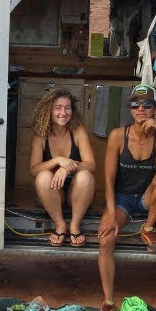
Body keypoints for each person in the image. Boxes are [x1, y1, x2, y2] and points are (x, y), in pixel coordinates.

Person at [97, 84, 156, 311]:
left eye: (147, 104)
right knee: (105, 239)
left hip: (147, 197)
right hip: (122, 198)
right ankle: (109, 301)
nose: (141, 109)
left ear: (155, 108)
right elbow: (108, 180)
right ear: (130, 109)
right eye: (135, 105)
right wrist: (111, 214)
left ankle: (148, 228)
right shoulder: (118, 135)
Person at [28, 88, 97, 246]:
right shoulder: (40, 135)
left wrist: (66, 168)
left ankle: (74, 224)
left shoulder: (78, 131)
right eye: (57, 107)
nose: (63, 112)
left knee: (86, 175)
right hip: (52, 193)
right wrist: (58, 160)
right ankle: (60, 224)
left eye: (67, 107)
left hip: (78, 193)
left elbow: (91, 165)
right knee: (43, 176)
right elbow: (33, 170)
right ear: (49, 111)